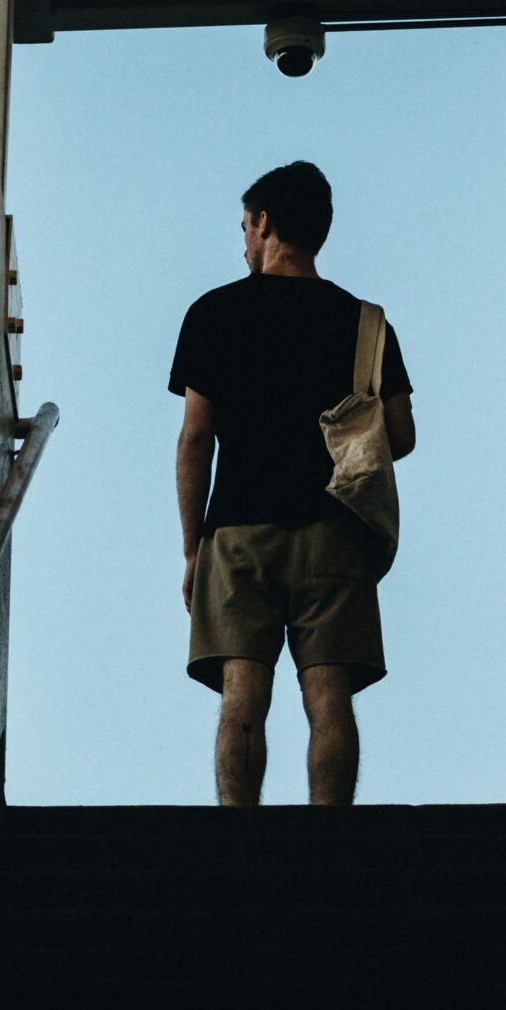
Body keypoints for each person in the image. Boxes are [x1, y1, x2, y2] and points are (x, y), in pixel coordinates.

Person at [169, 160, 415, 807]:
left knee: (243, 689)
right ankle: (327, 839)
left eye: (245, 227)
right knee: (327, 691)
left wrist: (194, 548)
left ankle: (238, 836)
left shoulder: (214, 312)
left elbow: (195, 439)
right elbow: (402, 435)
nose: (244, 241)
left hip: (237, 532)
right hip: (334, 529)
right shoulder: (366, 323)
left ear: (266, 222)